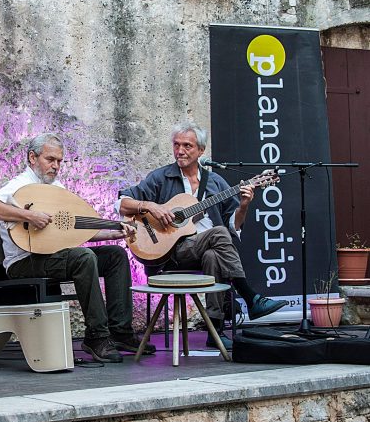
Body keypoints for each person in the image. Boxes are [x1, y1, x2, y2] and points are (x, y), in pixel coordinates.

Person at [0, 133, 155, 363]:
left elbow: (77, 231)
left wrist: (115, 231)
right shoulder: (20, 184)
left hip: (53, 256)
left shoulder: (56, 188)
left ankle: (120, 331)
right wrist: (29, 215)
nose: (56, 166)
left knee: (116, 255)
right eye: (50, 159)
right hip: (23, 262)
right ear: (32, 157)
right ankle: (96, 337)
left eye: (60, 161)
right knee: (83, 257)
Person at [118, 121, 288, 349]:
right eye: (176, 145)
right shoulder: (161, 177)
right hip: (172, 252)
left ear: (201, 150)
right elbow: (121, 203)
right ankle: (250, 296)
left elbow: (234, 226)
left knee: (213, 255)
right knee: (217, 233)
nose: (180, 151)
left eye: (187, 146)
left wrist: (245, 205)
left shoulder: (216, 182)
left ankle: (214, 330)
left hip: (206, 249)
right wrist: (150, 206)